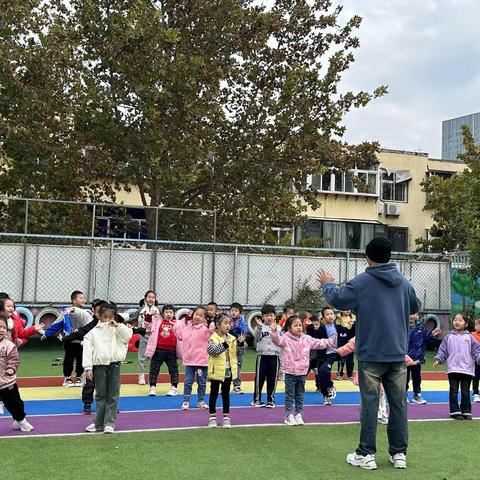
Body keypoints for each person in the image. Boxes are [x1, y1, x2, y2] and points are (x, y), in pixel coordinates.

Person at [317, 235, 421, 471]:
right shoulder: (404, 283)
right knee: (398, 405)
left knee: (370, 405)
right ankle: (399, 453)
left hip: (370, 354)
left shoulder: (362, 282)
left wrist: (327, 282)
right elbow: (415, 305)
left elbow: (338, 298)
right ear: (390, 256)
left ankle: (366, 453)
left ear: (367, 256)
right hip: (396, 353)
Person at [337, 337, 419, 425]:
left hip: (379, 370)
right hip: (369, 369)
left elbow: (397, 350)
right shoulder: (364, 335)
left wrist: (409, 361)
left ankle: (378, 415)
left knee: (377, 393)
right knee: (369, 394)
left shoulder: (384, 335)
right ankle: (370, 415)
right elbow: (350, 346)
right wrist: (338, 352)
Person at [271, 315, 333, 426]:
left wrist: (331, 341)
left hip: (302, 372)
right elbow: (277, 340)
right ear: (289, 328)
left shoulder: (306, 339)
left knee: (300, 394)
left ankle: (299, 414)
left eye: (300, 325)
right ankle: (288, 415)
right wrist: (275, 331)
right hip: (290, 371)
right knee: (289, 394)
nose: (299, 327)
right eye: (295, 325)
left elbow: (318, 343)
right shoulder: (285, 338)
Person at [83, 303, 132, 434]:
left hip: (114, 365)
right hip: (99, 367)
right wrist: (88, 367)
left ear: (114, 316)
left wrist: (118, 326)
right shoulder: (93, 332)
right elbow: (87, 350)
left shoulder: (119, 329)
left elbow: (127, 337)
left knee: (113, 395)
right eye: (104, 317)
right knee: (100, 395)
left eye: (110, 317)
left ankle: (110, 423)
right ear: (99, 316)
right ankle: (98, 423)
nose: (107, 320)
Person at [0, 296, 44, 416]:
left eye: (12, 306)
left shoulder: (15, 320)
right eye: (8, 306)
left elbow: (21, 334)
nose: (11, 308)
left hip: (9, 353)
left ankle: (12, 407)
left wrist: (34, 329)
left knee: (8, 378)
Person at [433, 312, 480, 420]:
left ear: (466, 324)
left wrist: (478, 358)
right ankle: (454, 411)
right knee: (453, 391)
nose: (457, 322)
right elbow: (443, 351)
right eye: (455, 320)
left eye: (460, 320)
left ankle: (466, 411)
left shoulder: (470, 337)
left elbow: (476, 350)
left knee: (465, 392)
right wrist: (438, 359)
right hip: (453, 369)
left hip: (467, 370)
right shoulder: (448, 337)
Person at [43, 290, 93, 387]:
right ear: (74, 300)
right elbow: (58, 322)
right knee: (68, 359)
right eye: (80, 298)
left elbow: (91, 325)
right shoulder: (66, 312)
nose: (83, 300)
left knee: (81, 359)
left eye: (84, 298)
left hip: (82, 340)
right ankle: (67, 378)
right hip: (69, 340)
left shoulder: (86, 313)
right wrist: (47, 333)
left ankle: (79, 377)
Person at [207, 314, 246, 428]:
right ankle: (212, 417)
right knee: (213, 393)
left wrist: (240, 343)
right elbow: (212, 351)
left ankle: (226, 417)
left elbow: (238, 352)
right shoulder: (213, 338)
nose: (228, 325)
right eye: (225, 323)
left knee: (225, 393)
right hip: (216, 370)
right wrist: (224, 343)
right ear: (218, 325)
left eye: (229, 323)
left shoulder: (232, 338)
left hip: (228, 369)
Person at [173, 306, 215, 410]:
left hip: (201, 361)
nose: (197, 317)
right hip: (189, 361)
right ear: (192, 315)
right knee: (188, 382)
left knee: (202, 382)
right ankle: (186, 401)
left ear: (204, 318)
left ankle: (201, 401)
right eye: (196, 314)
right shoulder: (186, 328)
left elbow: (212, 333)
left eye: (201, 316)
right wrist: (179, 323)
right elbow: (179, 335)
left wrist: (211, 322)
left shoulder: (205, 330)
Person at [0, 315, 34, 432]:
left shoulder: (9, 345)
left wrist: (10, 369)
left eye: (3, 327)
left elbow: (14, 361)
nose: (1, 330)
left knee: (15, 403)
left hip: (6, 382)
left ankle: (21, 420)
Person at [406, 312, 441, 404]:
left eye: (414, 313)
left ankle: (417, 395)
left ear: (418, 315)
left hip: (417, 358)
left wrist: (433, 335)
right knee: (404, 378)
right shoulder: (403, 326)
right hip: (405, 358)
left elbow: (427, 339)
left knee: (417, 377)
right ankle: (403, 394)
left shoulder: (421, 327)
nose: (411, 316)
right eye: (409, 312)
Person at [251, 304, 281, 408]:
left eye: (271, 315)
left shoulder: (279, 328)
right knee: (259, 378)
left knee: (272, 379)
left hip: (275, 356)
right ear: (262, 317)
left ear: (275, 316)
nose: (269, 317)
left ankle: (271, 400)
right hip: (262, 355)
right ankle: (256, 399)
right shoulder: (259, 327)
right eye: (266, 315)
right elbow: (257, 337)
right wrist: (259, 327)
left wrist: (275, 331)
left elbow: (281, 341)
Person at [145, 304, 179, 397]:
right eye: (166, 312)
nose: (168, 314)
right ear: (162, 314)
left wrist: (188, 318)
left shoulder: (177, 323)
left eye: (171, 312)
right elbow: (147, 326)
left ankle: (174, 388)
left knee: (173, 370)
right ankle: (152, 387)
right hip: (158, 350)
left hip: (171, 352)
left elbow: (184, 331)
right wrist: (148, 316)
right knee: (154, 369)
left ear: (174, 314)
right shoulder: (157, 322)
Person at [306, 307, 338, 403]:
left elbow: (348, 334)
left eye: (331, 314)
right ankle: (326, 395)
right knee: (320, 375)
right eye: (327, 314)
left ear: (335, 316)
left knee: (324, 370)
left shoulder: (338, 328)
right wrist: (310, 326)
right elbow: (313, 335)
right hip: (322, 355)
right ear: (323, 318)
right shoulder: (321, 328)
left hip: (333, 353)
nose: (330, 316)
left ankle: (331, 386)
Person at [133, 291, 159, 385]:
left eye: (153, 297)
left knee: (153, 358)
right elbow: (134, 319)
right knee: (142, 357)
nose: (151, 299)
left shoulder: (157, 310)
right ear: (145, 299)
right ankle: (141, 376)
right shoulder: (141, 310)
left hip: (153, 337)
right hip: (143, 336)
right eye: (149, 297)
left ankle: (152, 376)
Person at [229, 302, 248, 394]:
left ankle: (237, 386)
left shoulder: (241, 321)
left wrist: (236, 327)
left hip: (238, 344)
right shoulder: (228, 320)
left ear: (240, 313)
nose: (233, 313)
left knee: (237, 365)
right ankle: (226, 386)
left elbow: (244, 331)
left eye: (235, 311)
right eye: (232, 311)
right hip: (228, 344)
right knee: (227, 365)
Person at [336, 310, 355, 380]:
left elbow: (356, 330)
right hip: (341, 341)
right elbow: (336, 329)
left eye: (349, 309)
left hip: (351, 341)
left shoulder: (354, 318)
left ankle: (350, 374)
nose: (348, 310)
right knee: (341, 359)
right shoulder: (338, 318)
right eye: (345, 309)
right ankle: (339, 374)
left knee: (350, 359)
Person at [472, 317, 480, 403]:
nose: (475, 326)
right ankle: (476, 394)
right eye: (475, 325)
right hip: (475, 361)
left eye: (477, 325)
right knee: (476, 377)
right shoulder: (472, 335)